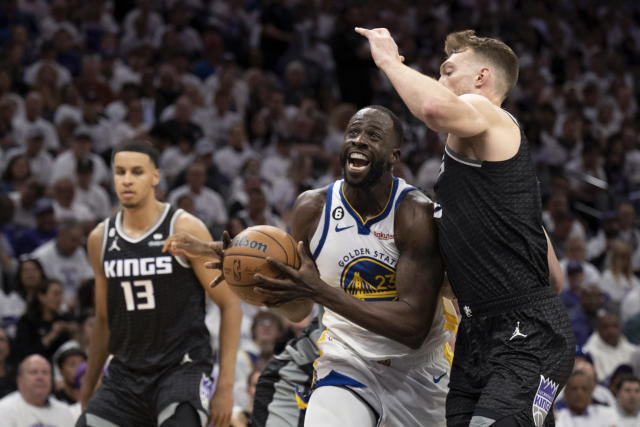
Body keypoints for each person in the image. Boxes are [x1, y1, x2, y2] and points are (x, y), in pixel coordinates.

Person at [354, 27, 574, 426]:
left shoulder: (489, 113)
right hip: (481, 334)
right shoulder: (493, 179)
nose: (439, 82)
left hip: (526, 332)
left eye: (447, 71)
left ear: (481, 78)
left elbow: (435, 111)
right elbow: (554, 278)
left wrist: (388, 60)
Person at [233, 106, 456, 426]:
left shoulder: (414, 213)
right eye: (353, 132)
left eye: (373, 136)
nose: (359, 140)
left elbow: (413, 329)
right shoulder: (312, 208)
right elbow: (299, 310)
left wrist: (320, 291)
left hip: (418, 375)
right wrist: (265, 285)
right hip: (346, 364)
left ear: (394, 155)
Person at [77, 141, 242, 427]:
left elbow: (230, 304)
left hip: (182, 368)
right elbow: (103, 320)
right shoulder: (100, 239)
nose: (127, 179)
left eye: (137, 172)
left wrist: (225, 388)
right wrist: (89, 386)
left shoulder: (184, 227)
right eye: (120, 172)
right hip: (125, 375)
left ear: (155, 177)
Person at [0, 354, 75, 426]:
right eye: (34, 372)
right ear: (19, 380)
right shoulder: (4, 409)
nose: (40, 377)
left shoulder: (64, 411)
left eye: (45, 372)